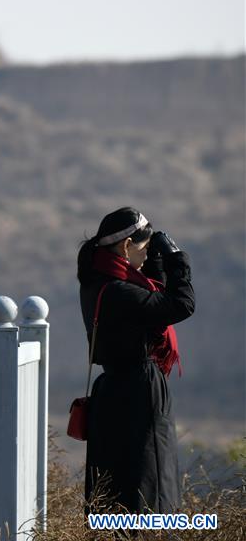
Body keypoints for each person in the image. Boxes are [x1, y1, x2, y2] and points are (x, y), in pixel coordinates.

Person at [76, 207, 195, 516]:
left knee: (117, 480)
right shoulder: (120, 292)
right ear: (127, 246)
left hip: (112, 393)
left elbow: (149, 303)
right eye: (143, 249)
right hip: (140, 392)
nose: (145, 256)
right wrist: (176, 259)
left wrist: (153, 260)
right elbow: (181, 304)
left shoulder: (95, 283)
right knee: (151, 478)